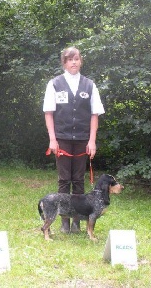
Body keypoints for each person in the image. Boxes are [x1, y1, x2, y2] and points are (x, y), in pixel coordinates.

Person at [43, 47, 105, 233]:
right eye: (70, 59)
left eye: (76, 59)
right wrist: (52, 140)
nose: (73, 62)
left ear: (81, 61)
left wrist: (92, 140)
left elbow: (95, 114)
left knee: (78, 180)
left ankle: (77, 222)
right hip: (61, 139)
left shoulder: (89, 85)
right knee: (64, 179)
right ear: (64, 63)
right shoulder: (54, 84)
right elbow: (48, 113)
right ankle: (64, 222)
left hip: (82, 139)